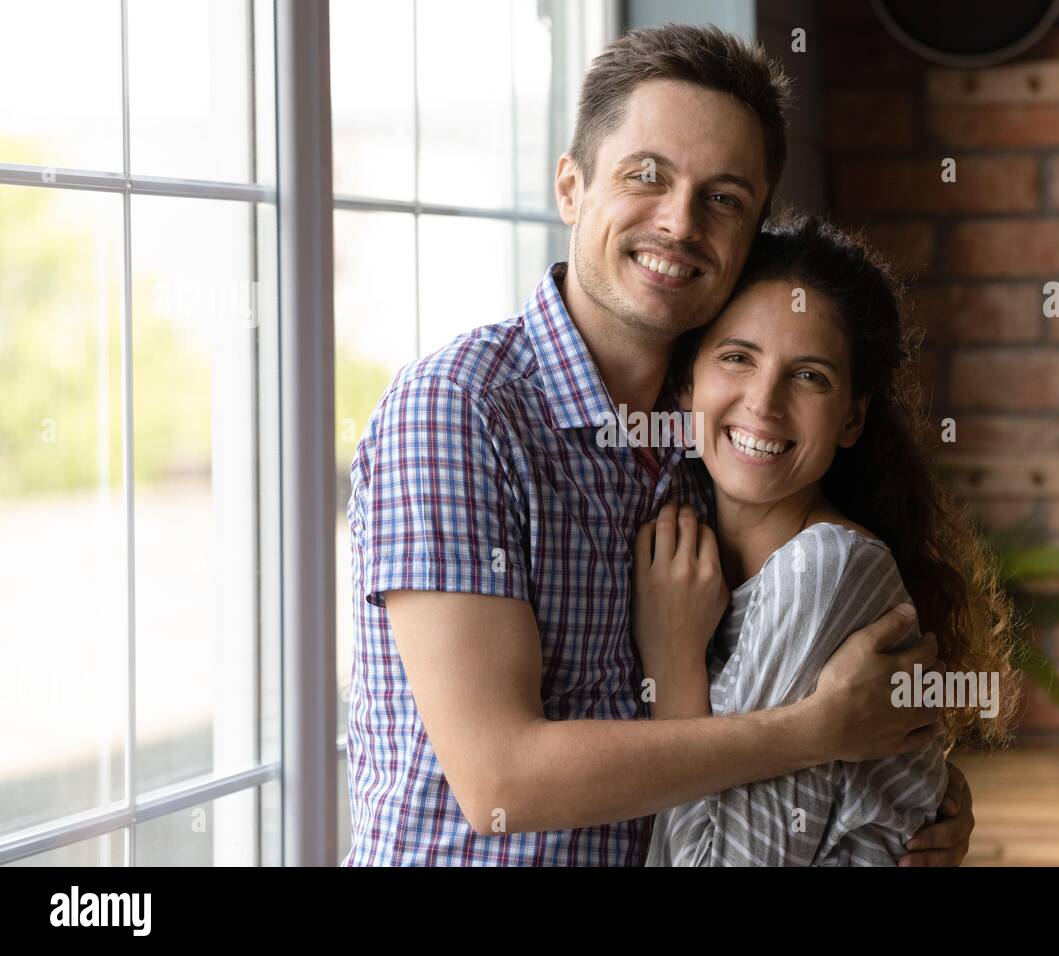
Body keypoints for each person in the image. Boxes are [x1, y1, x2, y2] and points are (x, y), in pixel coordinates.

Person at [343, 23, 976, 866]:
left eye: (723, 198)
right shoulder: (462, 412)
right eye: (648, 175)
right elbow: (501, 783)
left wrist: (915, 798)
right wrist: (818, 732)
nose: (680, 223)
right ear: (571, 187)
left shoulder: (713, 442)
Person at [640, 213, 1020, 866]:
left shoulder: (822, 571)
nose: (763, 402)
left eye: (809, 375)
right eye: (737, 356)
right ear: (684, 385)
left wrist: (672, 664)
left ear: (851, 418)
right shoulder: (679, 537)